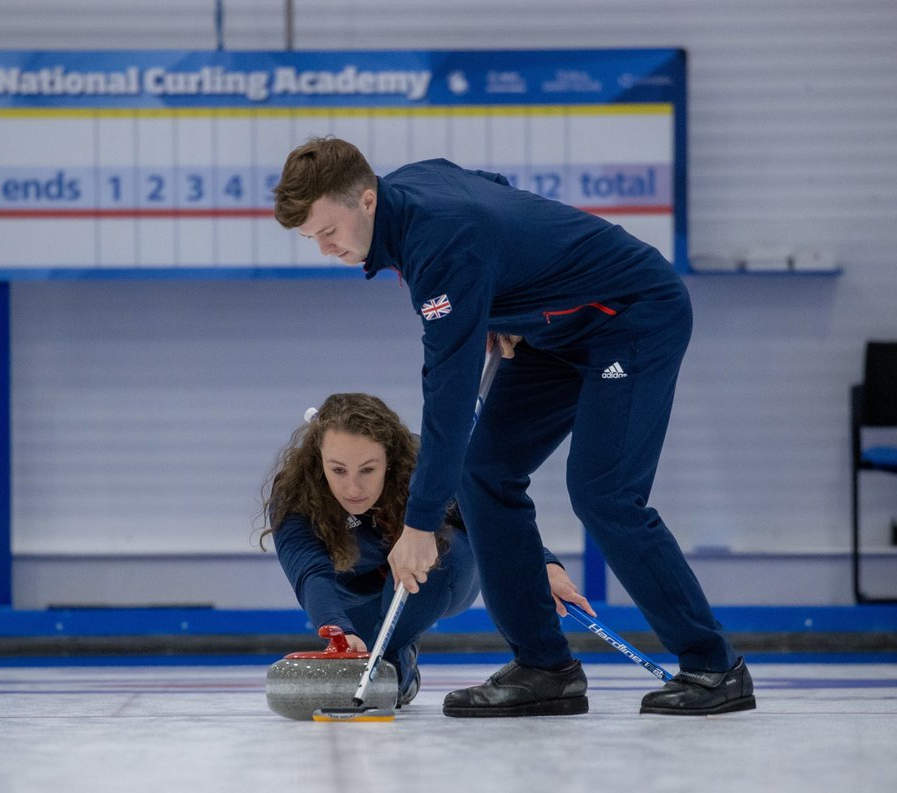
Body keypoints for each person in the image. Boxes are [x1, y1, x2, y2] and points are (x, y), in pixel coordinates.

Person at [272, 137, 755, 718]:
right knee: (484, 474)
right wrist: (503, 301)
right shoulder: (414, 185)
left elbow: (446, 398)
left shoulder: (438, 245)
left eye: (328, 232)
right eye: (311, 239)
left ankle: (713, 666)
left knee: (604, 493)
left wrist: (420, 524)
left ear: (367, 201)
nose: (325, 249)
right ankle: (544, 668)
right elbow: (493, 187)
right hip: (554, 330)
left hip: (631, 316)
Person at [258, 392, 591, 707]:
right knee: (366, 648)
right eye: (338, 470)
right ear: (319, 462)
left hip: (445, 570)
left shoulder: (426, 468)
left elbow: (490, 519)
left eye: (368, 469)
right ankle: (399, 662)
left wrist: (542, 564)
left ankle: (391, 659)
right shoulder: (295, 494)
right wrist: (338, 630)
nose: (353, 488)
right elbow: (310, 572)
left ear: (390, 459)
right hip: (358, 593)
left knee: (436, 557)